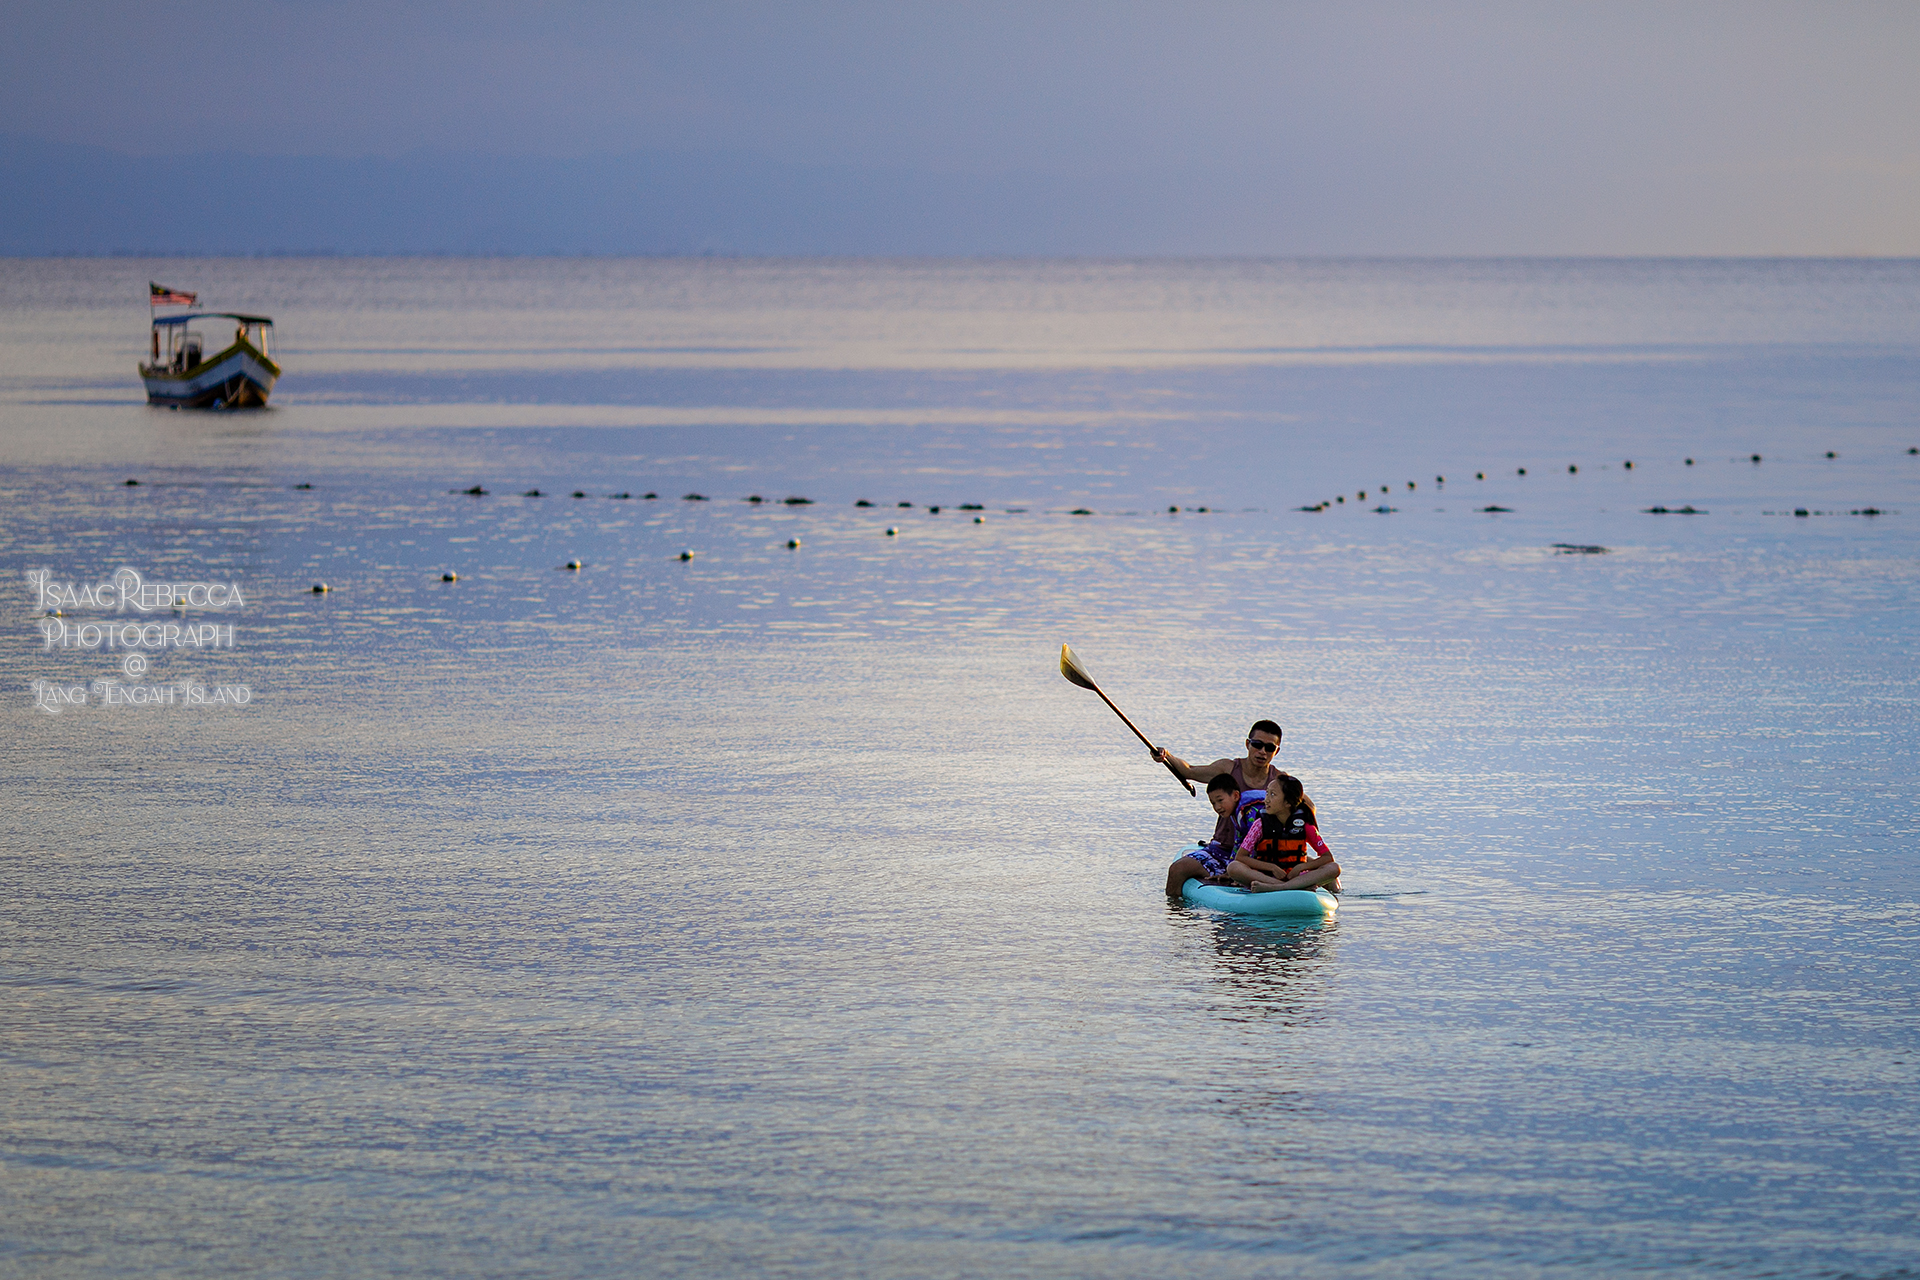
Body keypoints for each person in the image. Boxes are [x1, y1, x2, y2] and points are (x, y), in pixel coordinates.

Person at [1158, 720, 1293, 897]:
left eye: (1269, 747)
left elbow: (1305, 809)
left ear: (1276, 751)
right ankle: (1176, 918)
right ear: (1247, 744)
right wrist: (1166, 755)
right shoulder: (1228, 768)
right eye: (1257, 745)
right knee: (1178, 869)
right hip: (1221, 851)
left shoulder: (1281, 781)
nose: (1262, 752)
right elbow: (1189, 771)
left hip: (1262, 858)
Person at [1227, 773, 1340, 893]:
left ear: (1288, 803)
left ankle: (1280, 887)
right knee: (1233, 867)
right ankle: (1293, 886)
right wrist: (1272, 868)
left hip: (1296, 876)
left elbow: (1327, 858)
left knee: (1334, 868)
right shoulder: (1259, 824)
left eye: (1273, 794)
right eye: (1267, 793)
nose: (1266, 799)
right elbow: (1241, 857)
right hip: (1266, 876)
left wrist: (1301, 867)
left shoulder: (1305, 825)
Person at [1163, 773, 1265, 895]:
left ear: (1236, 796)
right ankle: (1173, 912)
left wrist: (1243, 874)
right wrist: (1229, 872)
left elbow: (1255, 846)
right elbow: (1238, 844)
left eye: (1220, 800)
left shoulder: (1250, 812)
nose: (1217, 807)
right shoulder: (1237, 813)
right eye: (1213, 803)